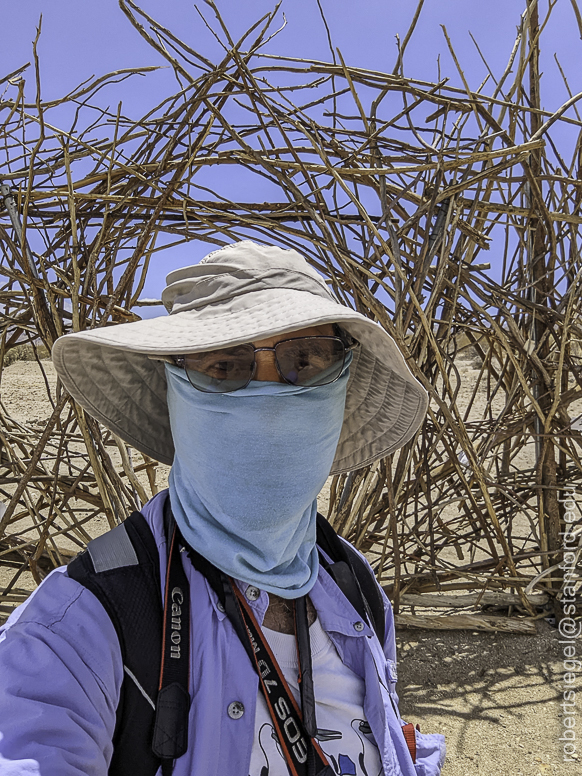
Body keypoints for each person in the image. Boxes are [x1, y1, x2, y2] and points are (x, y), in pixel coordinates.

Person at [0, 241, 445, 776]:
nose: (269, 396)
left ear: (341, 385)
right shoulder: (82, 625)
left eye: (304, 360)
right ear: (176, 392)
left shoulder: (351, 585)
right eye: (225, 364)